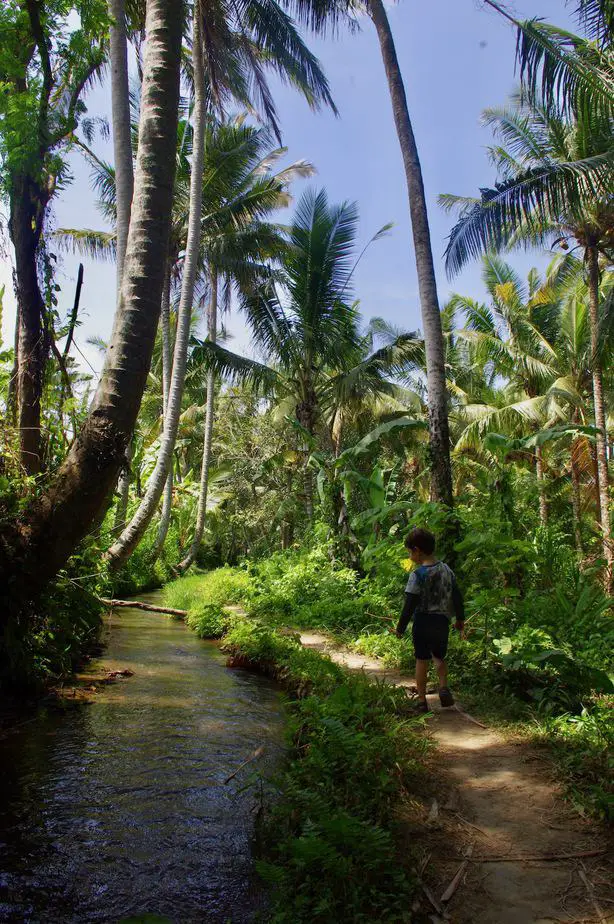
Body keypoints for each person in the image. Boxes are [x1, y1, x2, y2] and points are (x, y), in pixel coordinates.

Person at [394, 527, 464, 713]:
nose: (410, 556)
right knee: (439, 656)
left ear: (417, 550)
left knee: (421, 660)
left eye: (410, 552)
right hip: (442, 621)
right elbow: (457, 596)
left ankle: (422, 700)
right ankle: (443, 687)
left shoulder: (417, 575)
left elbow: (410, 604)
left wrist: (400, 627)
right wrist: (460, 618)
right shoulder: (447, 570)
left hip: (423, 622)